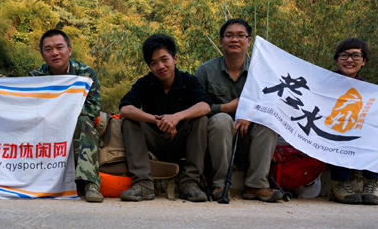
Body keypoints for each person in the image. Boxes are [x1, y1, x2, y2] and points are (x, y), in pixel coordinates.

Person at [195, 18, 282, 202]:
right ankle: (220, 184)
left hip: (249, 139)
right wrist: (225, 108)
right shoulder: (205, 71)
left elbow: (272, 104)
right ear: (221, 41)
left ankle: (256, 185)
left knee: (268, 122)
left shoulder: (262, 72)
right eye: (229, 35)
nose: (234, 39)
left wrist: (248, 113)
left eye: (240, 35)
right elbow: (194, 106)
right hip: (216, 140)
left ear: (249, 41)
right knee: (222, 119)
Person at [119, 33, 211, 202]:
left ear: (174, 59)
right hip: (154, 140)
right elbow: (125, 108)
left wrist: (177, 117)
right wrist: (156, 120)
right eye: (154, 63)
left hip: (181, 140)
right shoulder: (144, 83)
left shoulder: (189, 81)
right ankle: (143, 184)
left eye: (164, 59)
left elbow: (205, 106)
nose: (160, 66)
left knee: (201, 120)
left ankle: (189, 183)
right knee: (129, 122)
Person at [29, 29, 103, 203]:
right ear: (42, 54)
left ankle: (91, 183)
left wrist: (62, 116)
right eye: (48, 49)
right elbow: (30, 108)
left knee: (84, 122)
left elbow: (93, 108)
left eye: (59, 47)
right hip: (45, 125)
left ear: (69, 50)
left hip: (74, 123)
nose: (54, 53)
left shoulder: (86, 74)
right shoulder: (35, 77)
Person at [327, 38, 378, 205]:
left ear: (363, 61)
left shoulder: (366, 89)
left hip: (354, 138)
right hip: (325, 137)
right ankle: (339, 181)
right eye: (344, 55)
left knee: (377, 125)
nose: (350, 60)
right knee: (339, 129)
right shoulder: (323, 82)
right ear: (337, 60)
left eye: (356, 56)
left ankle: (372, 180)